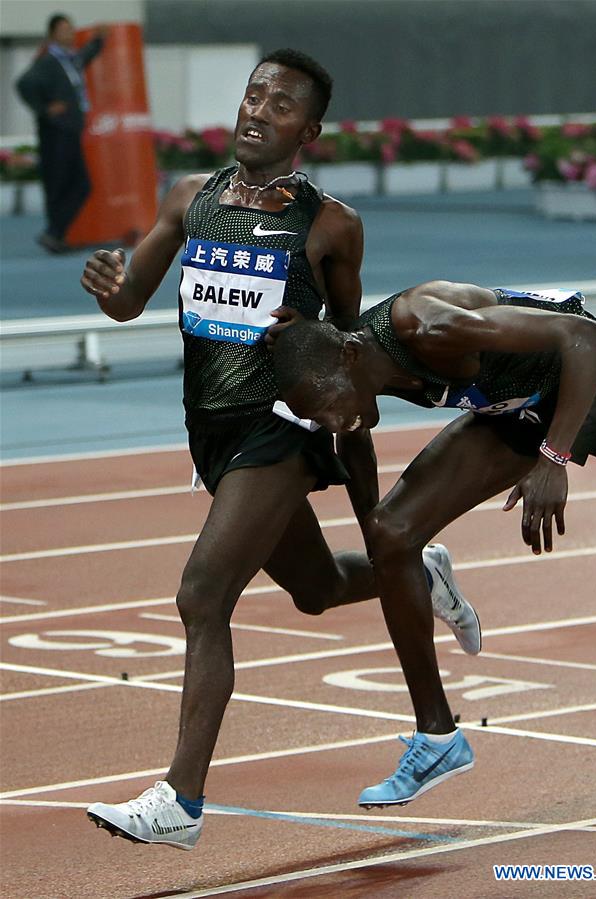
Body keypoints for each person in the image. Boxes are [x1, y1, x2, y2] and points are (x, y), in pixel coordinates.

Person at [79, 50, 479, 850]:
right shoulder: (189, 199)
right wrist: (112, 285)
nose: (258, 109)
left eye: (280, 103)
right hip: (212, 426)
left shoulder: (329, 224)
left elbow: (344, 348)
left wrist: (365, 485)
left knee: (202, 594)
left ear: (309, 129)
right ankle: (422, 569)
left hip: (282, 429)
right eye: (253, 94)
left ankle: (179, 802)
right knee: (317, 587)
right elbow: (131, 303)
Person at [273, 280, 596, 806]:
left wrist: (554, 458)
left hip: (594, 375)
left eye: (330, 406)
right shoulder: (347, 371)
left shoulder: (431, 325)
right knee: (392, 532)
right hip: (515, 409)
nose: (333, 420)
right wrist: (393, 560)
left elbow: (583, 335)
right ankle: (438, 738)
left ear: (352, 357)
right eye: (321, 417)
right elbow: (365, 481)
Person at [15, 13, 106, 253]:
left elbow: (85, 57)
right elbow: (23, 84)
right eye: (64, 29)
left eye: (71, 28)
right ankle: (54, 233)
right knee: (61, 184)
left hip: (70, 131)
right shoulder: (48, 62)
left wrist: (98, 42)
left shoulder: (70, 59)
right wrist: (45, 109)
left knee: (78, 184)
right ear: (53, 34)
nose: (70, 32)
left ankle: (55, 233)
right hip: (55, 133)